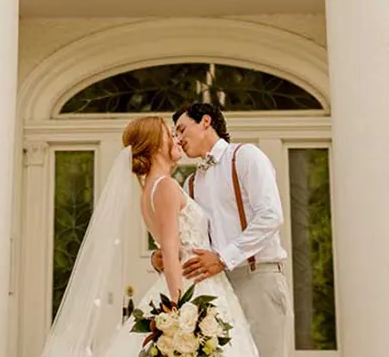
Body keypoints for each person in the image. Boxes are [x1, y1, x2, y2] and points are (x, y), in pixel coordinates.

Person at [39, 115, 260, 357]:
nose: (177, 140)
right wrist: (180, 314)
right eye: (170, 134)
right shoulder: (164, 186)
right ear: (156, 144)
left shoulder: (150, 189)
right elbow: (170, 249)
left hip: (201, 281)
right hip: (192, 286)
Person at [159, 102, 291, 357]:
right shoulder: (191, 182)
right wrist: (165, 253)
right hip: (217, 287)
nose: (178, 138)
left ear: (206, 122)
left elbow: (271, 216)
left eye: (182, 129)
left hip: (258, 277)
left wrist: (222, 258)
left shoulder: (246, 156)